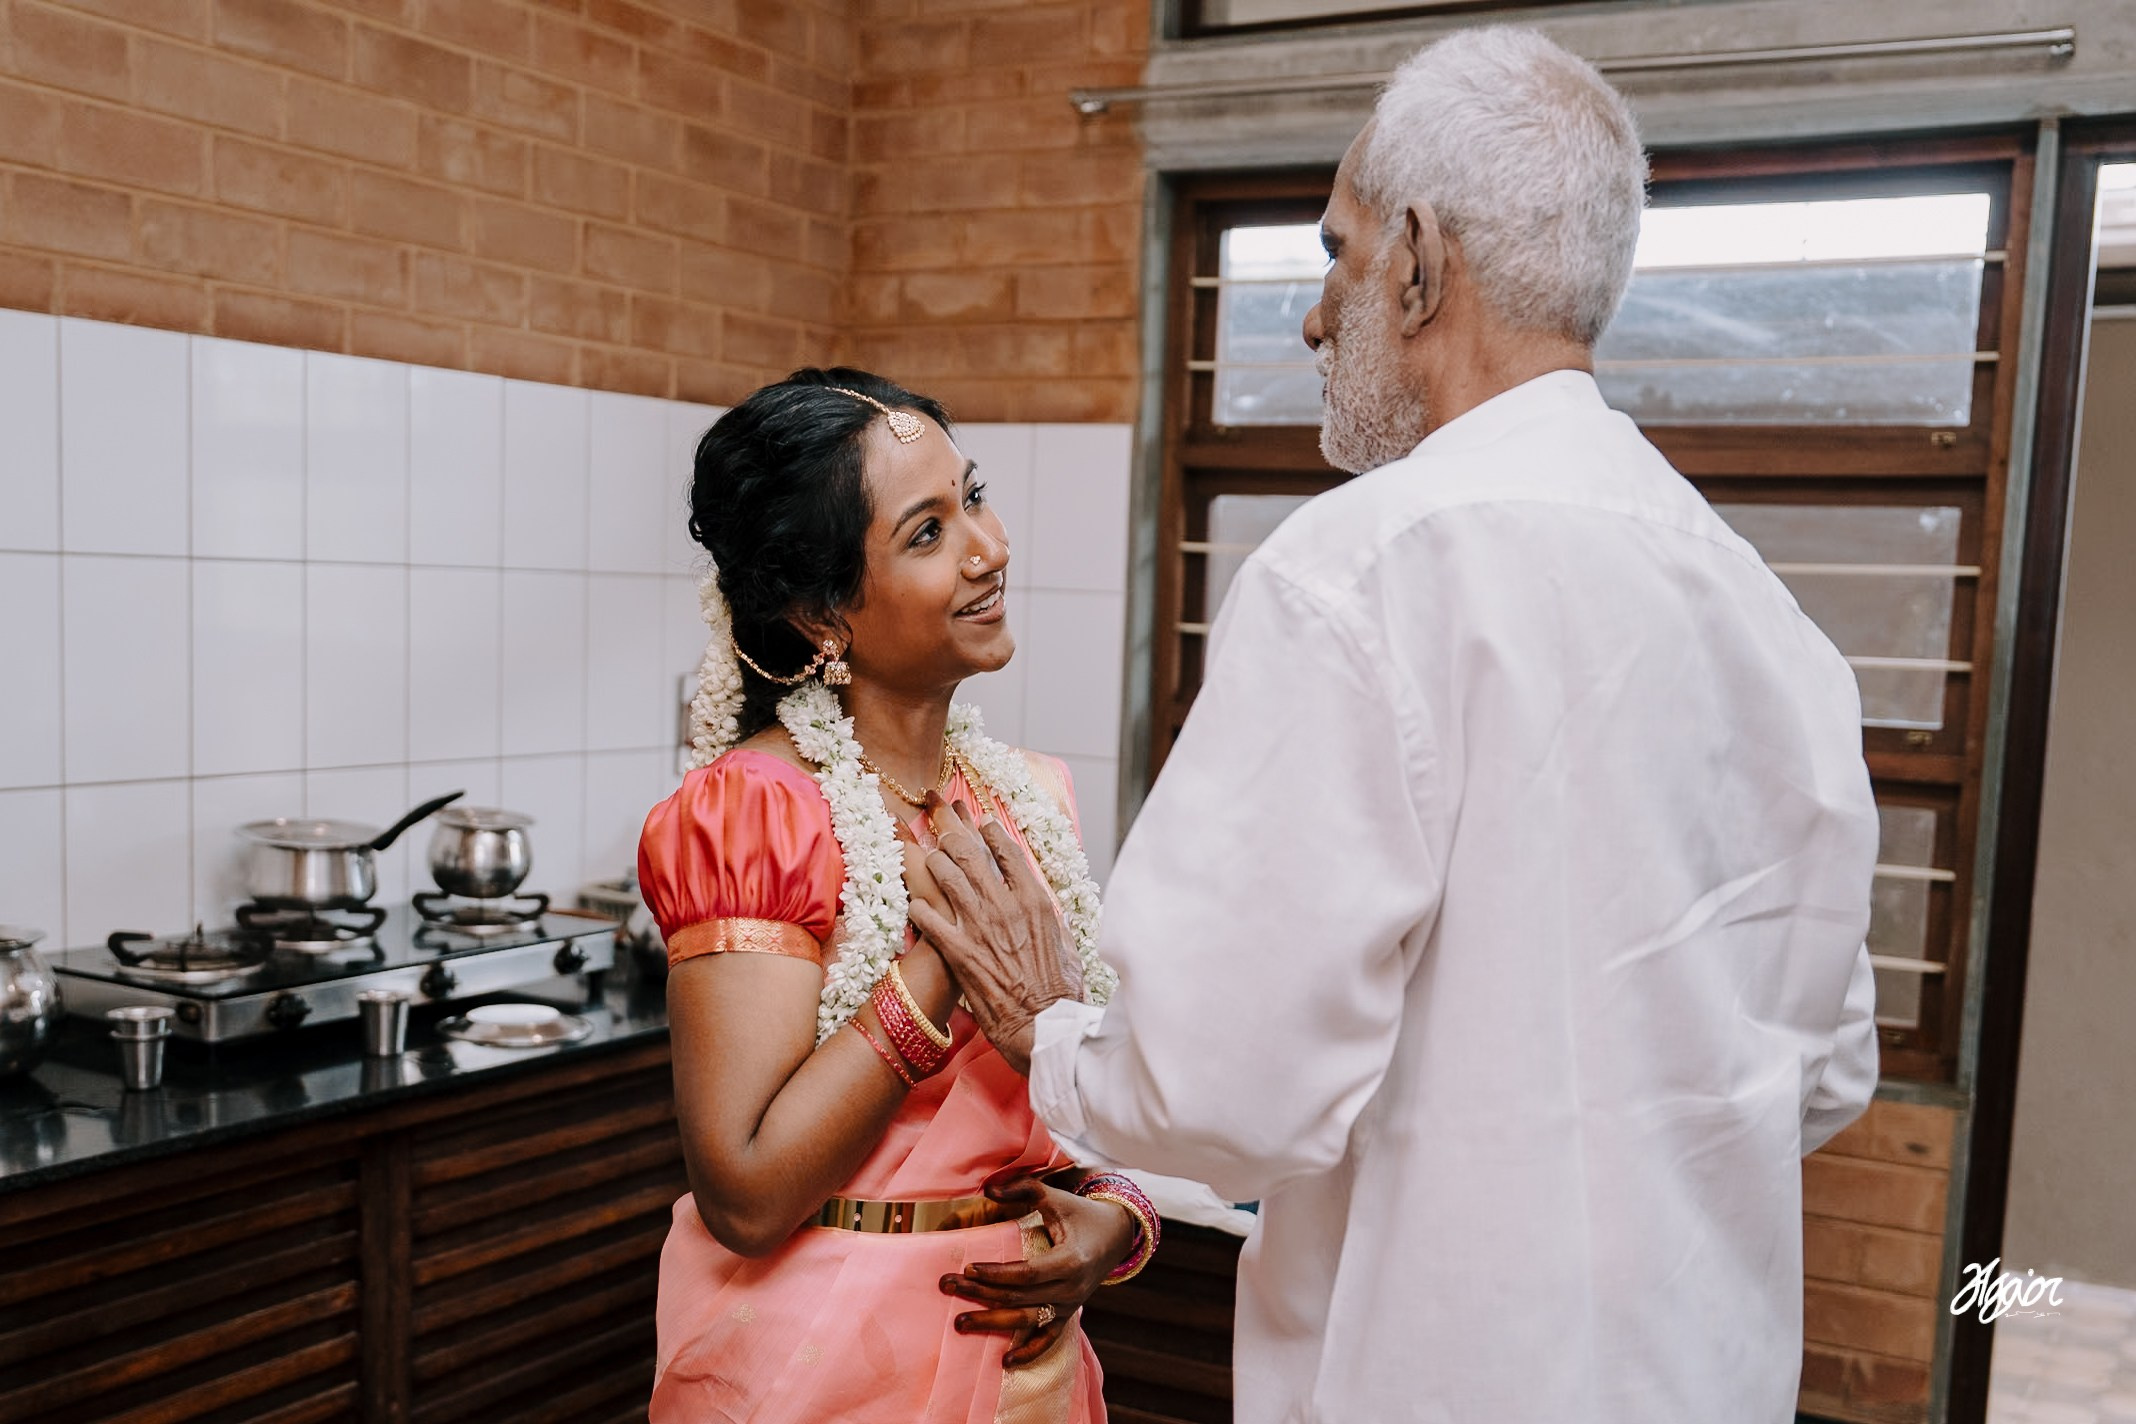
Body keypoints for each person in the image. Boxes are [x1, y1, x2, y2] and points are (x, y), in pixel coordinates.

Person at [909, 27, 1881, 1424]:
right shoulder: (1768, 618)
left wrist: (1049, 1024)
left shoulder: (1358, 573)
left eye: (1335, 254)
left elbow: (1219, 1087)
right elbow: (1825, 1066)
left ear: (1418, 260)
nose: (1315, 317)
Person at [637, 369, 1160, 1423]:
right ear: (821, 611)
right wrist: (944, 959)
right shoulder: (753, 816)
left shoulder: (1029, 798)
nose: (989, 547)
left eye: (973, 495)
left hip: (1027, 1367)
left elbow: (1075, 1099)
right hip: (821, 1368)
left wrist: (1113, 1214)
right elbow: (746, 1190)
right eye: (927, 532)